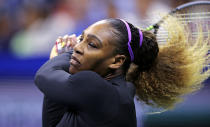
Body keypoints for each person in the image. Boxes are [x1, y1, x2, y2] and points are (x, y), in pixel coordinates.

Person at [34, 18, 209, 127]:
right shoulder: (118, 93)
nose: (78, 47)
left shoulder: (93, 87)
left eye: (92, 44)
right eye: (81, 38)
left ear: (117, 61)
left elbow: (43, 76)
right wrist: (61, 60)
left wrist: (65, 54)